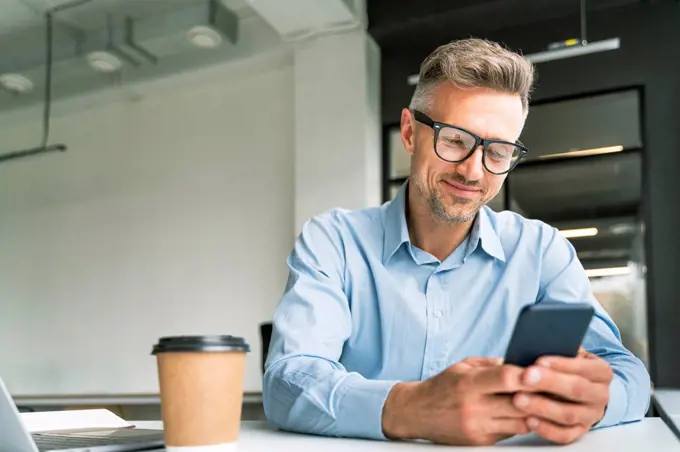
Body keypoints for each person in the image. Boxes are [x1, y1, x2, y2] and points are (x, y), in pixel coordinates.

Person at [262, 38, 651, 446]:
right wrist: (409, 407)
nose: (472, 171)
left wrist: (597, 400)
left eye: (498, 151)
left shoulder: (542, 252)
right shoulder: (333, 242)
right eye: (454, 140)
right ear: (410, 133)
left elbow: (626, 373)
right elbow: (288, 380)